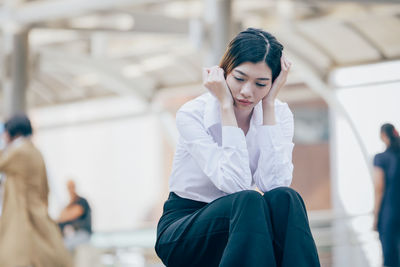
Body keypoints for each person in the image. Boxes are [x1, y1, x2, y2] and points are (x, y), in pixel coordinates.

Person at [155, 28, 320, 267]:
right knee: (248, 200)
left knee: (287, 198)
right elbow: (236, 185)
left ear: (274, 83)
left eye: (261, 84)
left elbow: (274, 184)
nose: (247, 92)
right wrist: (225, 106)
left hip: (246, 229)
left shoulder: (279, 113)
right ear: (224, 72)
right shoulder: (193, 114)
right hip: (186, 230)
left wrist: (270, 105)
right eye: (240, 79)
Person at [0, 114, 72, 267]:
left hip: (21, 213)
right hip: (37, 211)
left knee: (17, 256)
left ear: (13, 131)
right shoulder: (36, 152)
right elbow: (45, 187)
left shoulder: (19, 151)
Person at [373, 123, 400, 267]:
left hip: (389, 214)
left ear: (383, 136)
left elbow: (379, 188)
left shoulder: (381, 158)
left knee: (390, 258)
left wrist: (376, 217)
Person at [58, 179, 92, 251]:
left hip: (83, 234)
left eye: (72, 186)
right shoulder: (68, 205)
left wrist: (64, 214)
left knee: (64, 245)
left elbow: (72, 214)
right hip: (70, 235)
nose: (70, 189)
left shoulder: (82, 201)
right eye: (68, 187)